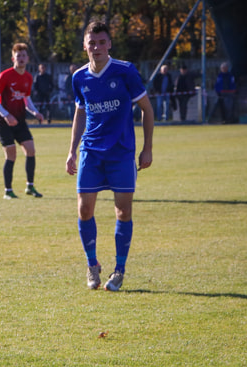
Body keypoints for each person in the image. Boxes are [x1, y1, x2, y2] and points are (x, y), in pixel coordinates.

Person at [65, 20, 154, 292]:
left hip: (122, 152)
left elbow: (147, 110)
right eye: (92, 43)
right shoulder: (79, 77)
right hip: (91, 151)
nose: (97, 47)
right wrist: (71, 150)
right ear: (85, 46)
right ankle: (92, 266)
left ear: (109, 44)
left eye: (102, 42)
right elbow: (81, 111)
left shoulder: (125, 71)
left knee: (123, 211)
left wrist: (147, 148)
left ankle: (119, 270)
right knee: (84, 209)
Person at [0, 43, 45, 199]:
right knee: (11, 154)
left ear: (27, 58)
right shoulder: (5, 76)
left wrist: (35, 112)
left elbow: (26, 99)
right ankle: (8, 191)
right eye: (18, 56)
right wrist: (6, 115)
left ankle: (30, 187)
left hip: (19, 120)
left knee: (31, 150)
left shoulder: (28, 77)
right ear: (13, 58)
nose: (21, 58)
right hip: (3, 121)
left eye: (23, 56)